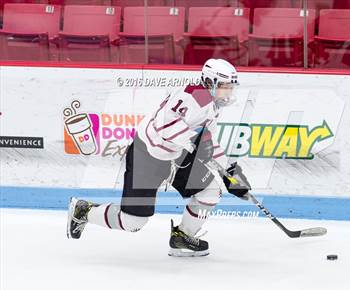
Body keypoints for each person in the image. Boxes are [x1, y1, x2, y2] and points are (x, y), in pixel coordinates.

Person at [66, 58, 251, 257]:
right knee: (132, 223)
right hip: (146, 157)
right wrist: (195, 142)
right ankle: (84, 211)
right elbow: (163, 127)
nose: (229, 91)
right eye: (224, 86)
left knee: (210, 191)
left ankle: (182, 238)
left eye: (231, 87)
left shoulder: (212, 105)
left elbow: (208, 141)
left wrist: (229, 172)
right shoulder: (192, 96)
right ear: (210, 82)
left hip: (176, 157)